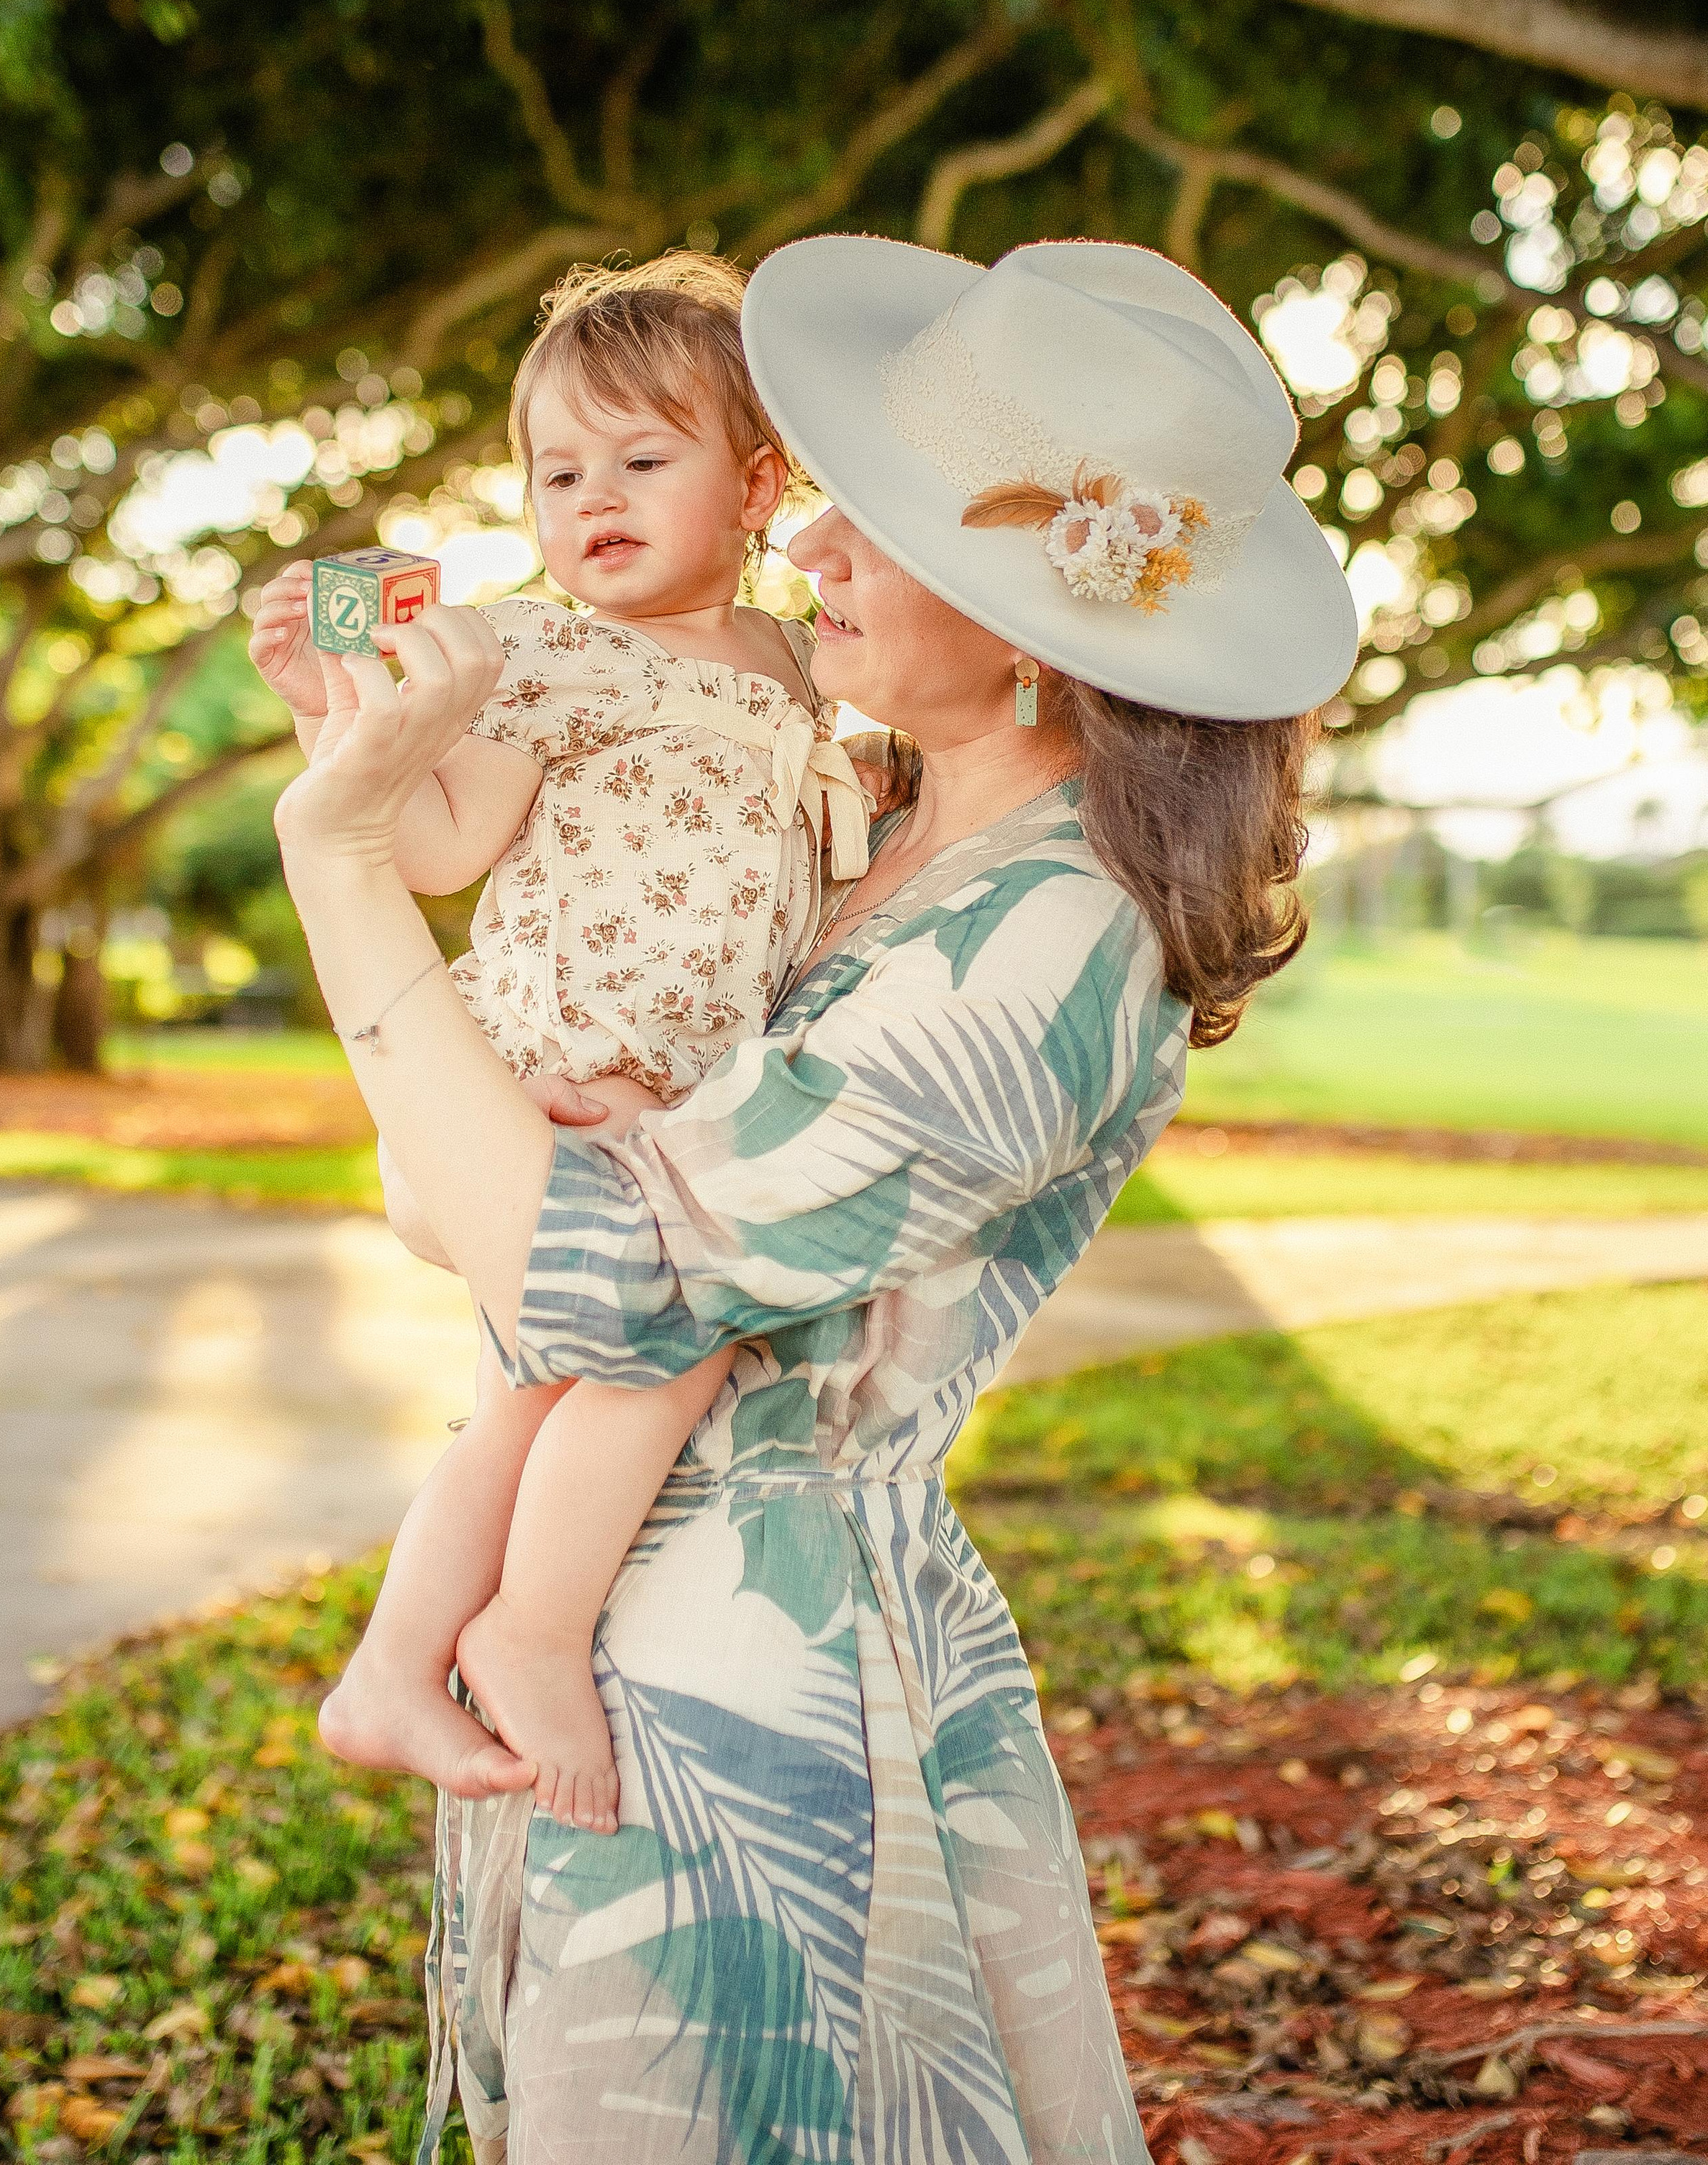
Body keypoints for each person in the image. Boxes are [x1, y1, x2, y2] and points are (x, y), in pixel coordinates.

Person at [272, 235, 1358, 2163]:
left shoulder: (1051, 944)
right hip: (632, 1615)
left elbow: (610, 1284)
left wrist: (344, 876)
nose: (816, 559)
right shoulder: (841, 811)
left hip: (762, 1696)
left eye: (875, 528)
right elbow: (501, 1182)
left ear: (1036, 615)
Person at [249, 255, 871, 1831]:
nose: (590, 496)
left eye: (640, 461)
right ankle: (521, 1633)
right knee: (671, 1346)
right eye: (556, 470)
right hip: (543, 1082)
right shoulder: (542, 650)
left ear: (756, 483)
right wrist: (343, 715)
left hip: (665, 1106)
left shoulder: (805, 676)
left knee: (532, 1397)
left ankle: (394, 1668)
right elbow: (442, 840)